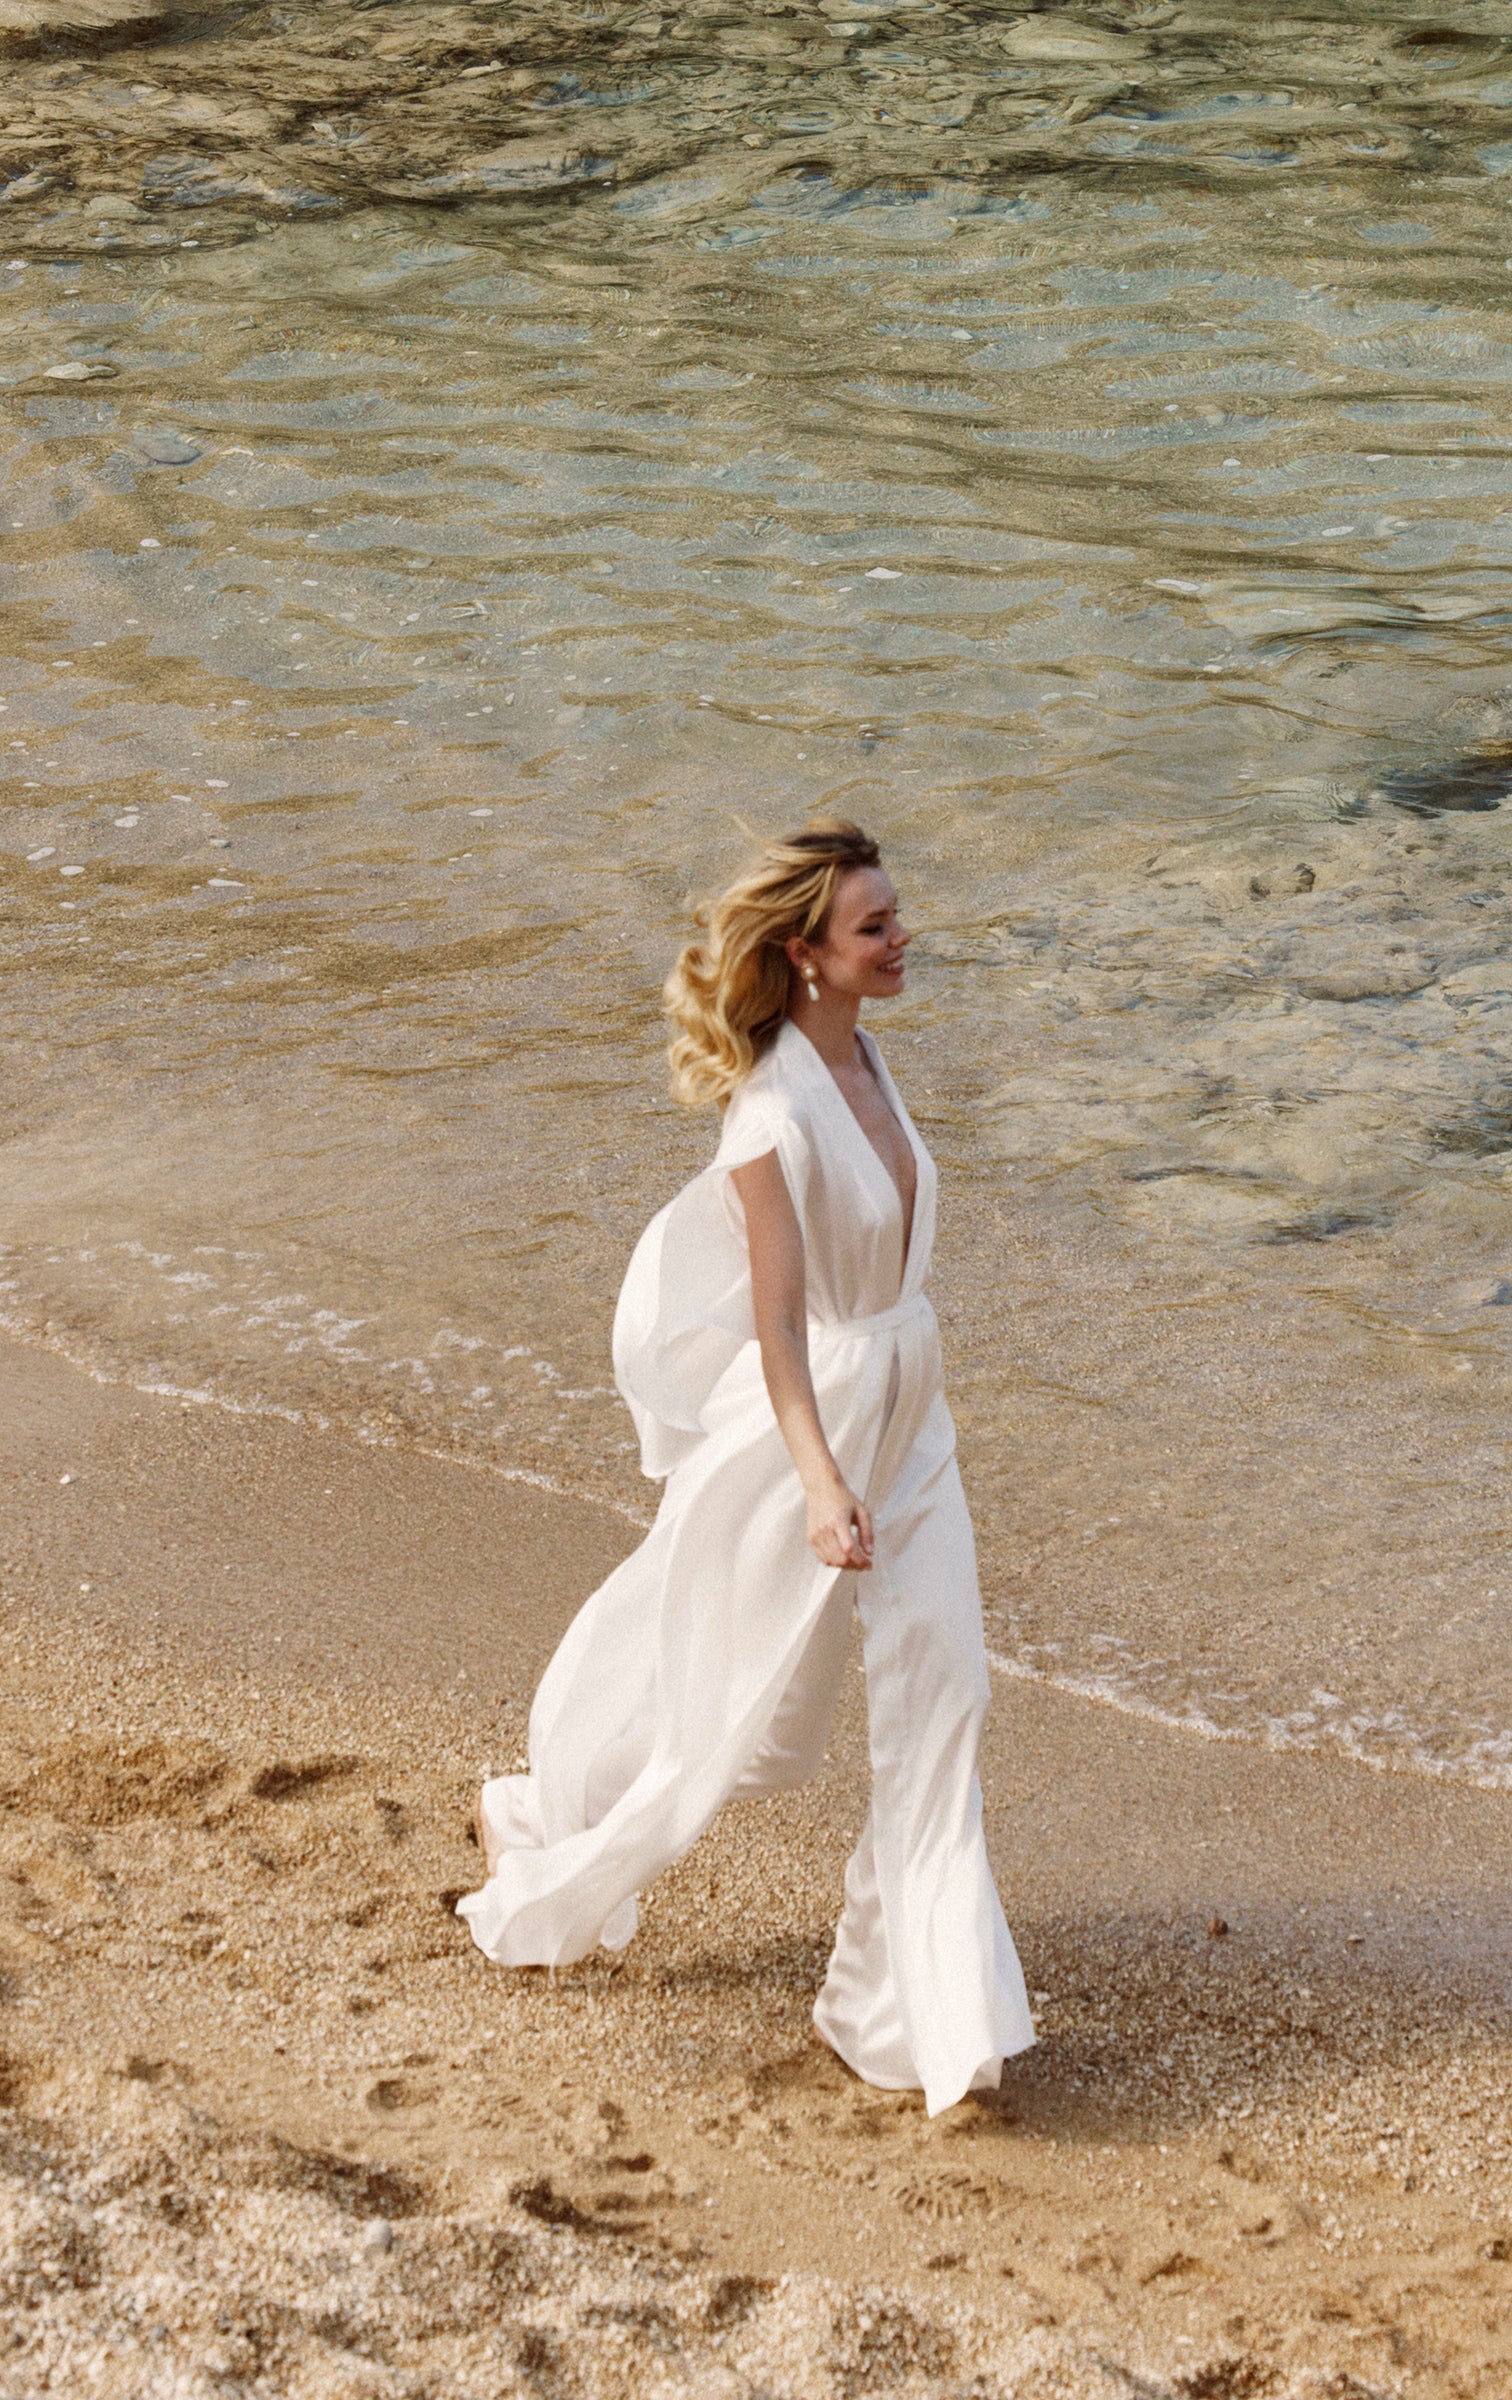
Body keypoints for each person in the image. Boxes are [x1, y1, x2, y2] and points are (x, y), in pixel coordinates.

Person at [459, 819, 1034, 2115]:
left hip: (912, 1420)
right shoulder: (768, 1116)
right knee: (746, 1726)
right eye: (875, 925)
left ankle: (896, 2016)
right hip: (811, 1433)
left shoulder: (868, 1055)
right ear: (806, 953)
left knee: (948, 1687)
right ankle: (540, 1818)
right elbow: (778, 1325)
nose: (904, 938)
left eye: (896, 915)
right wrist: (823, 1482)